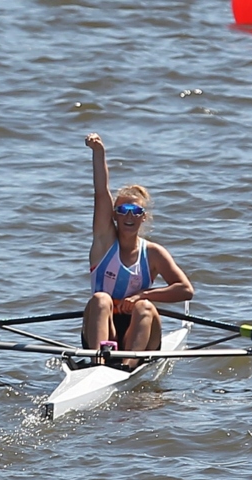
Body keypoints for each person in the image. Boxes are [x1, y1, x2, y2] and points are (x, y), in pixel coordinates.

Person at [82, 133, 194, 367]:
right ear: (114, 215)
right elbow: (101, 193)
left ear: (144, 217)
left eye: (135, 211)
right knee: (101, 299)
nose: (129, 216)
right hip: (104, 328)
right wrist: (98, 153)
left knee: (145, 307)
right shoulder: (104, 243)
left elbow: (185, 290)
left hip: (140, 331)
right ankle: (98, 365)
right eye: (123, 210)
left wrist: (142, 295)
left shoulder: (153, 253)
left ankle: (127, 364)